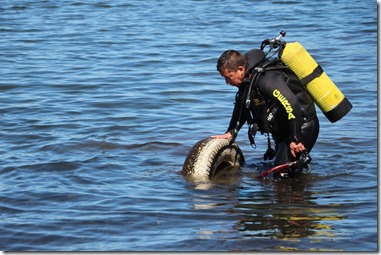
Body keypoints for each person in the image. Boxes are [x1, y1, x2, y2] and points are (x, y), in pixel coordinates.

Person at [211, 48, 319, 178]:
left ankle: (297, 196)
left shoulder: (266, 81)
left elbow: (292, 103)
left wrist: (295, 138)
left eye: (229, 78)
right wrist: (231, 131)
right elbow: (241, 104)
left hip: (301, 125)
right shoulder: (247, 80)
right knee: (282, 171)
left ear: (240, 69)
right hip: (283, 130)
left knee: (281, 175)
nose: (227, 83)